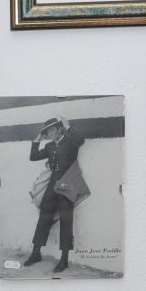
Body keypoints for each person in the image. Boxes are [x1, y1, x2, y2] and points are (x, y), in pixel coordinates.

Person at [26, 115, 90, 274]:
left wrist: (68, 127)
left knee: (66, 221)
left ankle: (64, 259)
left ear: (59, 129)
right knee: (44, 218)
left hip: (67, 185)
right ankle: (36, 253)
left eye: (52, 130)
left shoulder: (70, 142)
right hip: (53, 185)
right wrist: (38, 139)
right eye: (47, 132)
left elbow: (81, 139)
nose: (49, 133)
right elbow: (33, 156)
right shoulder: (49, 146)